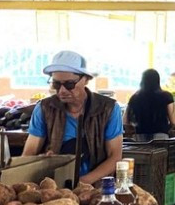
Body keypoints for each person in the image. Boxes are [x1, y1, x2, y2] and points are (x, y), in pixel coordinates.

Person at [22, 51, 123, 184]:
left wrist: (82, 183)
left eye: (69, 84)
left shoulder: (108, 109)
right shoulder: (44, 109)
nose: (62, 90)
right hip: (53, 186)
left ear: (86, 79)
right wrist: (41, 160)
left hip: (96, 186)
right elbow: (28, 155)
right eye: (56, 84)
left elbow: (115, 157)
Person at [124, 69, 175, 138]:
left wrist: (133, 130)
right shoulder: (166, 97)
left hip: (140, 139)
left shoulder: (135, 97)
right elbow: (174, 122)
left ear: (142, 81)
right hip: (161, 138)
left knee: (141, 149)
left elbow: (125, 121)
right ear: (158, 81)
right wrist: (168, 130)